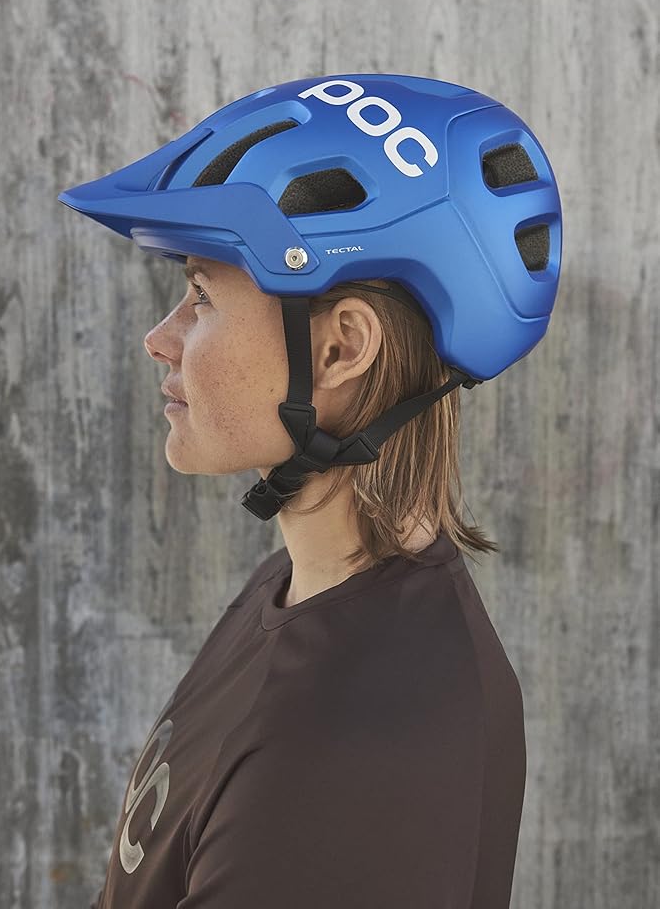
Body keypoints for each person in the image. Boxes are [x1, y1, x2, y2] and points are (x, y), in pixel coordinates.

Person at [58, 72, 562, 908]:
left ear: (339, 350)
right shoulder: (296, 592)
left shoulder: (358, 740)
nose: (159, 339)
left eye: (200, 296)